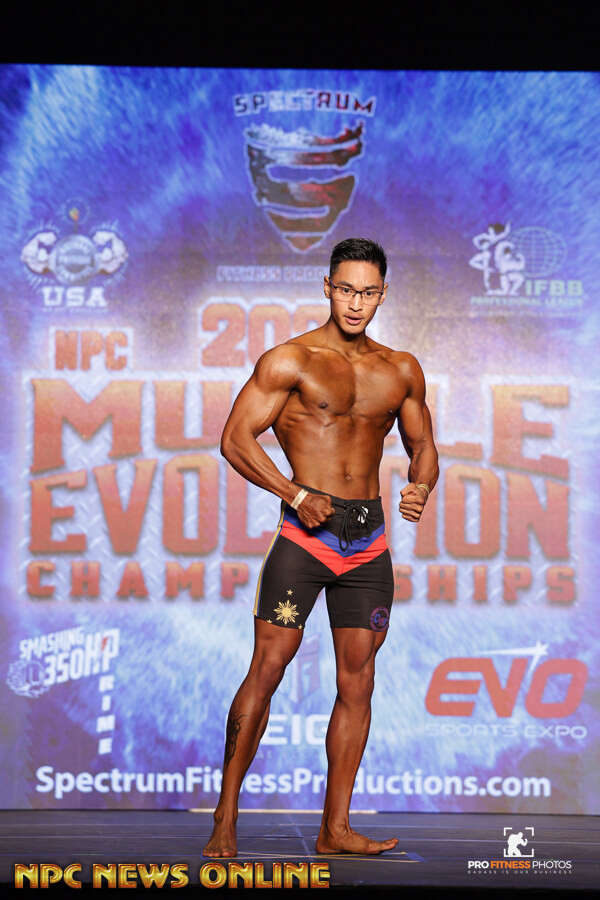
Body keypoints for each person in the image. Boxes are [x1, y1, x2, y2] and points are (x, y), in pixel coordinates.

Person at [203, 237, 439, 858]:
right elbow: (234, 439)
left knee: (357, 681)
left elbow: (423, 445)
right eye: (346, 290)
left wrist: (421, 484)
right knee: (269, 667)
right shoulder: (291, 360)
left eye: (368, 292)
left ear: (382, 295)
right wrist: (293, 491)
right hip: (305, 539)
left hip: (368, 543)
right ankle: (225, 814)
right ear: (327, 287)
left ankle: (335, 828)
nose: (356, 303)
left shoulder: (401, 369)